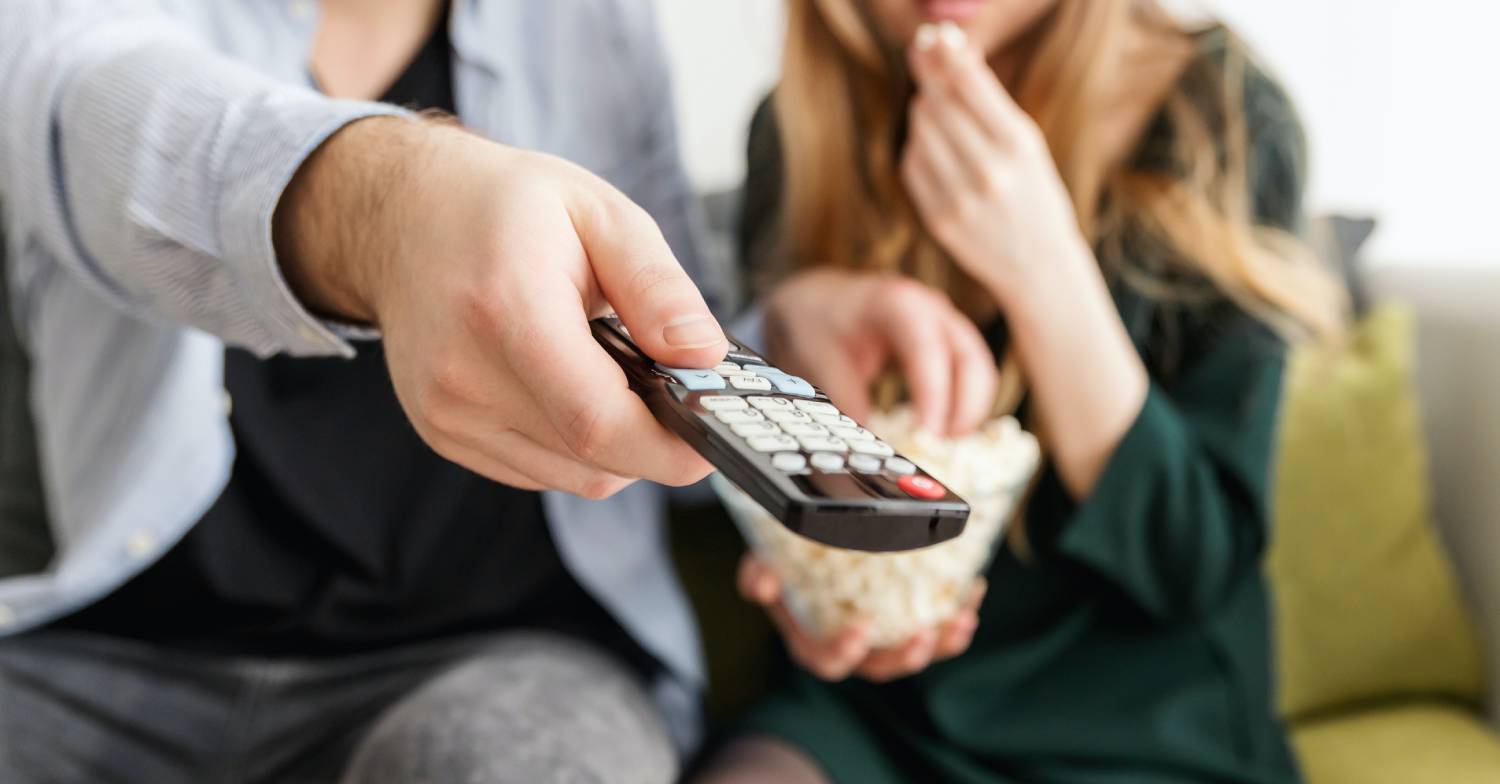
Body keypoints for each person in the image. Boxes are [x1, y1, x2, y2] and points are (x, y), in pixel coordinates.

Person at [0, 1, 731, 781]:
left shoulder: (596, 23)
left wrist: (797, 315)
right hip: (116, 661)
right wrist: (393, 211)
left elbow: (681, 327)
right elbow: (101, 108)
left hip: (508, 662)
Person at [701, 0, 1345, 782]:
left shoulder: (1220, 114)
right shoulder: (798, 128)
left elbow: (1192, 564)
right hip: (872, 716)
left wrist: (1045, 271)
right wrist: (819, 590)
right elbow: (800, 500)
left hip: (1140, 727)